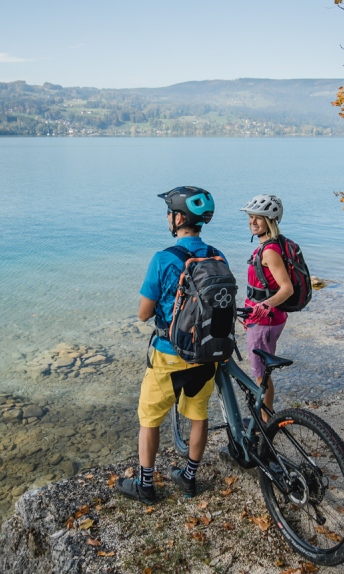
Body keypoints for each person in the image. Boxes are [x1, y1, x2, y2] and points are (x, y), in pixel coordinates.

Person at [116, 186, 223, 503]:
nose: (167, 217)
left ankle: (145, 485)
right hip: (206, 354)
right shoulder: (217, 255)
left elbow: (143, 313)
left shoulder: (162, 259)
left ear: (178, 218)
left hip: (169, 357)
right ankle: (189, 478)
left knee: (149, 420)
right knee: (198, 415)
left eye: (169, 212)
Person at [240, 195, 293, 423]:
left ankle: (265, 424)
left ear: (270, 220)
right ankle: (265, 419)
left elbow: (287, 288)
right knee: (262, 373)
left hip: (266, 321)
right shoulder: (269, 245)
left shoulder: (269, 250)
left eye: (258, 219)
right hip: (264, 319)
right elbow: (261, 286)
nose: (253, 222)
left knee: (261, 376)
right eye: (251, 218)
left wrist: (262, 306)